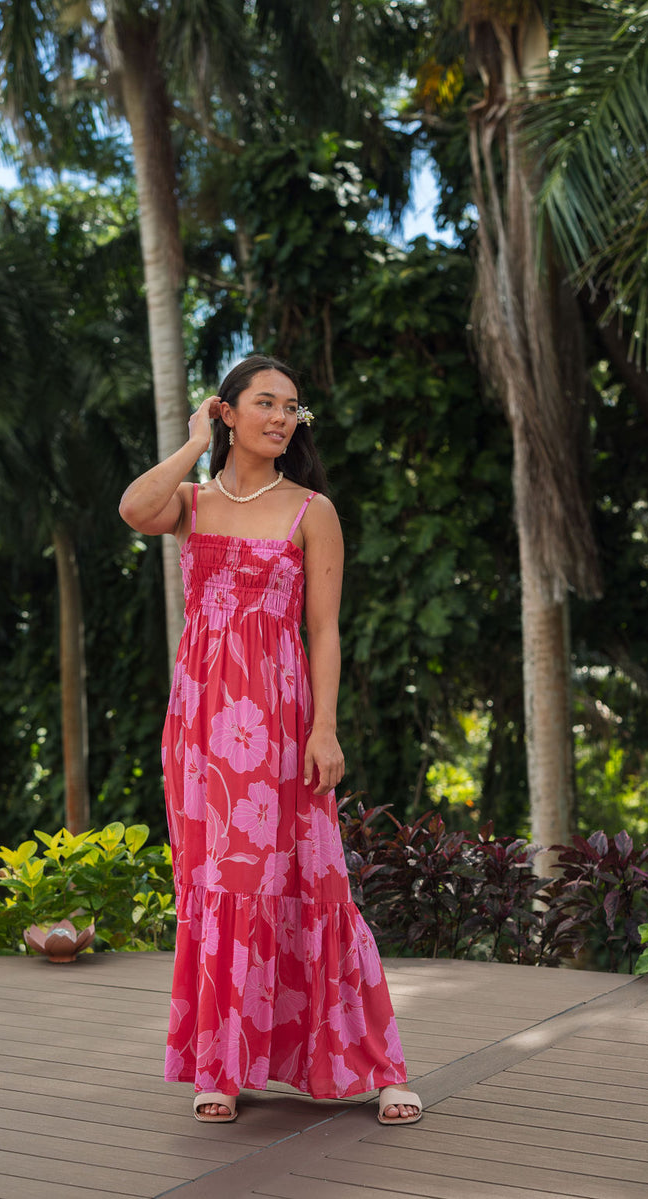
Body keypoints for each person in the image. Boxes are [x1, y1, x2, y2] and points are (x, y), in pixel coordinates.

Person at [119, 354, 422, 1126]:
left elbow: (324, 630)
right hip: (202, 721)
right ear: (229, 412)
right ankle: (219, 1063)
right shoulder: (192, 502)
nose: (283, 417)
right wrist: (194, 443)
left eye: (292, 407)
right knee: (218, 883)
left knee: (311, 879)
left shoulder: (311, 509)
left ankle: (379, 1063)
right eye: (265, 403)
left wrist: (324, 727)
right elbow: (133, 509)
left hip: (279, 721)